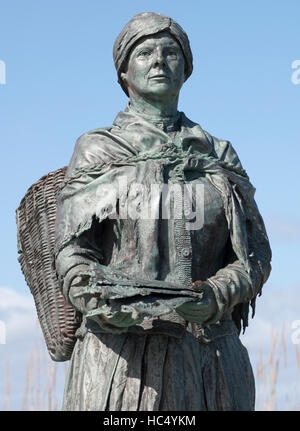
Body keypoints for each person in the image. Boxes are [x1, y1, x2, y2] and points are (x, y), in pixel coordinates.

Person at [54, 12, 271, 411]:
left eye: (171, 52)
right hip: (119, 359)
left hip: (209, 358)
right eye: (145, 52)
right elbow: (72, 252)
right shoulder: (98, 149)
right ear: (123, 72)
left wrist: (216, 295)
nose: (158, 60)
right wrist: (98, 300)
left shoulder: (218, 154)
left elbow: (254, 257)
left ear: (186, 69)